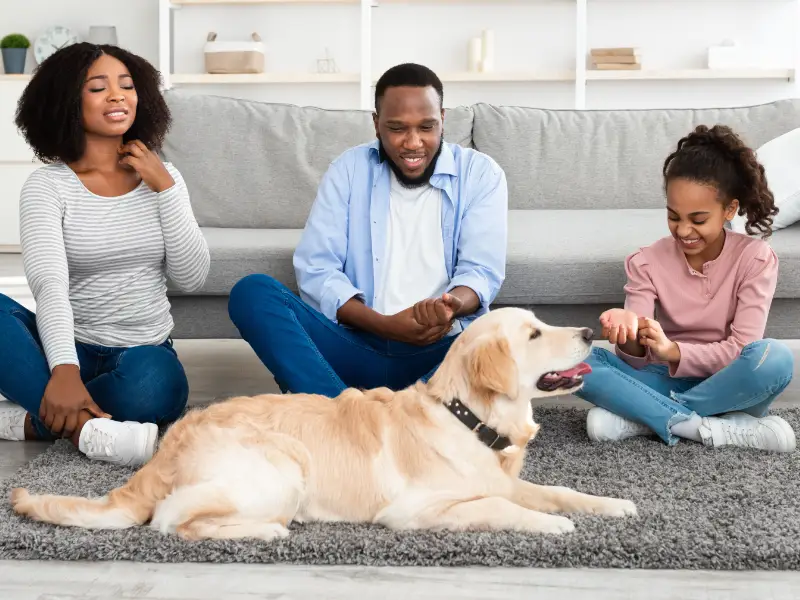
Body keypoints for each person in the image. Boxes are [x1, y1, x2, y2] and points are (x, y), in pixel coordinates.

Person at [228, 63, 508, 396]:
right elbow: (317, 269)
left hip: (440, 356)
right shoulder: (348, 169)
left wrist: (448, 306)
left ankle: (340, 410)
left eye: (427, 127)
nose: (414, 143)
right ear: (376, 124)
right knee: (253, 292)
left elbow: (481, 273)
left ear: (443, 119)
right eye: (397, 128)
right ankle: (344, 415)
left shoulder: (480, 174)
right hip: (357, 346)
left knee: (504, 334)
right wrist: (386, 326)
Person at [0, 43, 210, 466]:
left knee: (154, 387)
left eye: (127, 86)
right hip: (67, 344)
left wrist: (165, 189)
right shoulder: (48, 186)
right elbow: (50, 285)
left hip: (143, 354)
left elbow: (192, 278)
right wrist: (63, 369)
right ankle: (86, 428)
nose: (118, 95)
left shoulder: (165, 178)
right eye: (98, 87)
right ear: (67, 102)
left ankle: (31, 419)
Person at [576, 124, 795, 453]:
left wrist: (675, 352)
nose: (684, 230)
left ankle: (644, 416)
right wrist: (630, 333)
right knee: (574, 360)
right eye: (673, 216)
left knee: (775, 359)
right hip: (659, 377)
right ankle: (710, 427)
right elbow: (637, 360)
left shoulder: (756, 259)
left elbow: (742, 349)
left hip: (730, 385)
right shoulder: (646, 262)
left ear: (729, 210)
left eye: (698, 219)